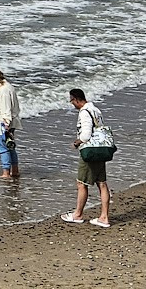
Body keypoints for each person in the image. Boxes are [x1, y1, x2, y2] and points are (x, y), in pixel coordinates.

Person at [62, 88, 111, 227]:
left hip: (90, 152)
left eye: (72, 100)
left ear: (76, 99)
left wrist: (76, 142)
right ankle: (104, 217)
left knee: (81, 183)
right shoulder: (96, 110)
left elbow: (85, 135)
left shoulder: (84, 112)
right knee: (102, 183)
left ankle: (77, 214)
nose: (72, 104)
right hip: (101, 150)